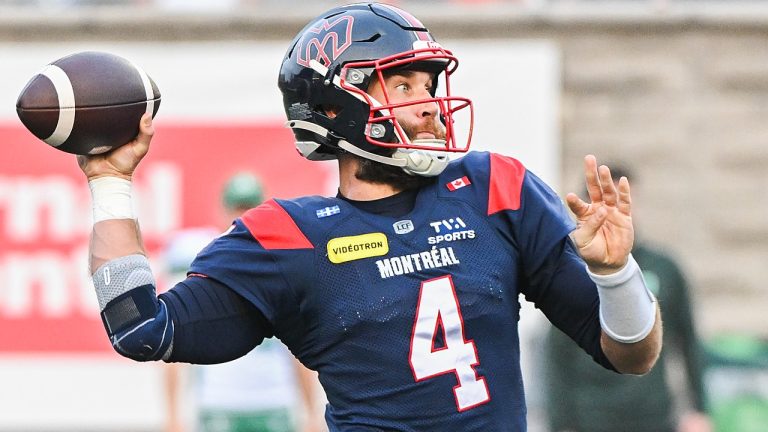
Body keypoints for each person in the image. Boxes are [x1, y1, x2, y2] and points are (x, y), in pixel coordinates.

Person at [78, 3, 662, 430]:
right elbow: (140, 329)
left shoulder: (493, 187)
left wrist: (614, 274)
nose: (430, 104)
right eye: (402, 85)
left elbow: (631, 355)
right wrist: (110, 184)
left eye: (429, 83)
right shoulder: (288, 235)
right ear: (338, 108)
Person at [542, 166, 711, 432]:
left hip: (653, 416)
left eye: (625, 200)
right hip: (592, 417)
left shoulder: (664, 267)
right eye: (605, 203)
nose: (616, 211)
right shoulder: (570, 271)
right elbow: (556, 355)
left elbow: (688, 341)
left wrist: (700, 410)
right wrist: (560, 424)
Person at [162, 172, 325, 432]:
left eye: (250, 208)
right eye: (238, 208)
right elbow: (174, 338)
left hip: (274, 400)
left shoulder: (283, 258)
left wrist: (311, 411)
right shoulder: (198, 256)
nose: (242, 216)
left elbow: (299, 345)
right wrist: (171, 414)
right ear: (223, 210)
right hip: (219, 401)